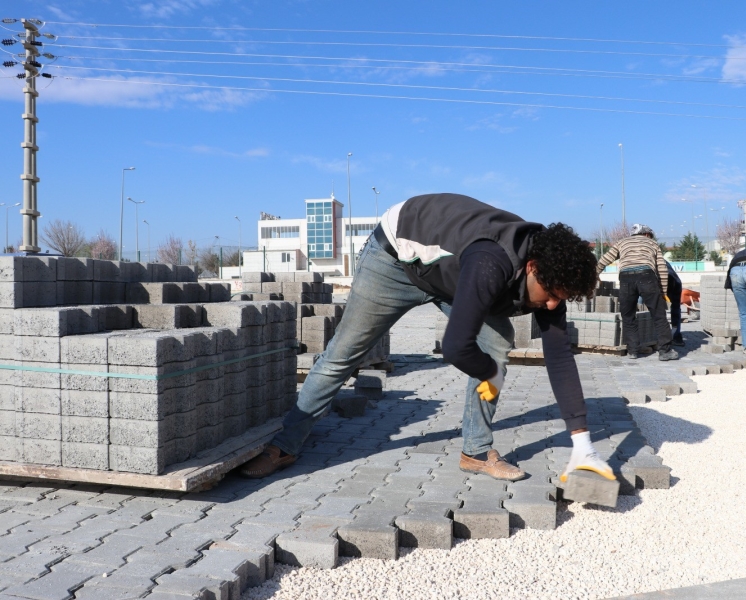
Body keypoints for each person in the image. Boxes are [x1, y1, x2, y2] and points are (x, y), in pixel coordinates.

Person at [240, 193, 616, 484]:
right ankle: (284, 446)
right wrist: (492, 373)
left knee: (495, 344)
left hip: (452, 272)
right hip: (396, 260)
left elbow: (560, 359)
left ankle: (476, 452)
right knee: (343, 354)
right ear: (532, 267)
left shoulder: (553, 276)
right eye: (549, 293)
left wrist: (581, 442)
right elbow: (455, 346)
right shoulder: (492, 262)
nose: (551, 304)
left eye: (560, 299)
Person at [597, 224, 678, 361]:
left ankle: (633, 351)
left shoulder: (622, 242)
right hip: (646, 276)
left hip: (626, 278)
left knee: (628, 315)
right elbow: (662, 269)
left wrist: (595, 273)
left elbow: (605, 259)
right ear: (646, 234)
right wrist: (663, 292)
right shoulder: (652, 243)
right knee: (659, 315)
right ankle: (665, 351)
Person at [666, 261, 685, 346]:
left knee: (675, 309)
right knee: (675, 309)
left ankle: (675, 336)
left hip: (672, 282)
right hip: (675, 281)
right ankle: (676, 336)